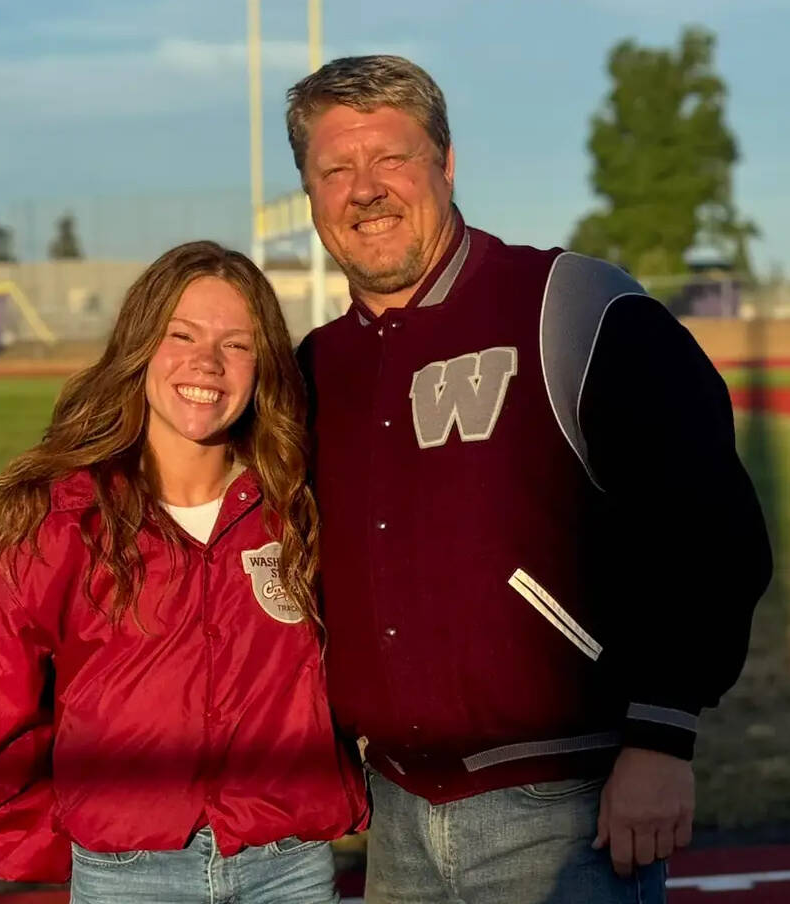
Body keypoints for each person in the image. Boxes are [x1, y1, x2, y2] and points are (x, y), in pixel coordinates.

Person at [287, 55, 773, 903]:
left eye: (390, 159)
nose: (365, 189)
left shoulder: (571, 305)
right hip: (396, 814)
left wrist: (661, 737)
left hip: (566, 815)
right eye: (336, 169)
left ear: (445, 162)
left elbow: (708, 529)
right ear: (310, 192)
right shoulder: (315, 367)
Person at [0, 241, 367, 902]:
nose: (206, 363)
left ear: (264, 365)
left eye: (237, 344)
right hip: (128, 875)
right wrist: (64, 838)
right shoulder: (65, 516)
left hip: (288, 869)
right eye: (180, 334)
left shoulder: (299, 507)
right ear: (140, 346)